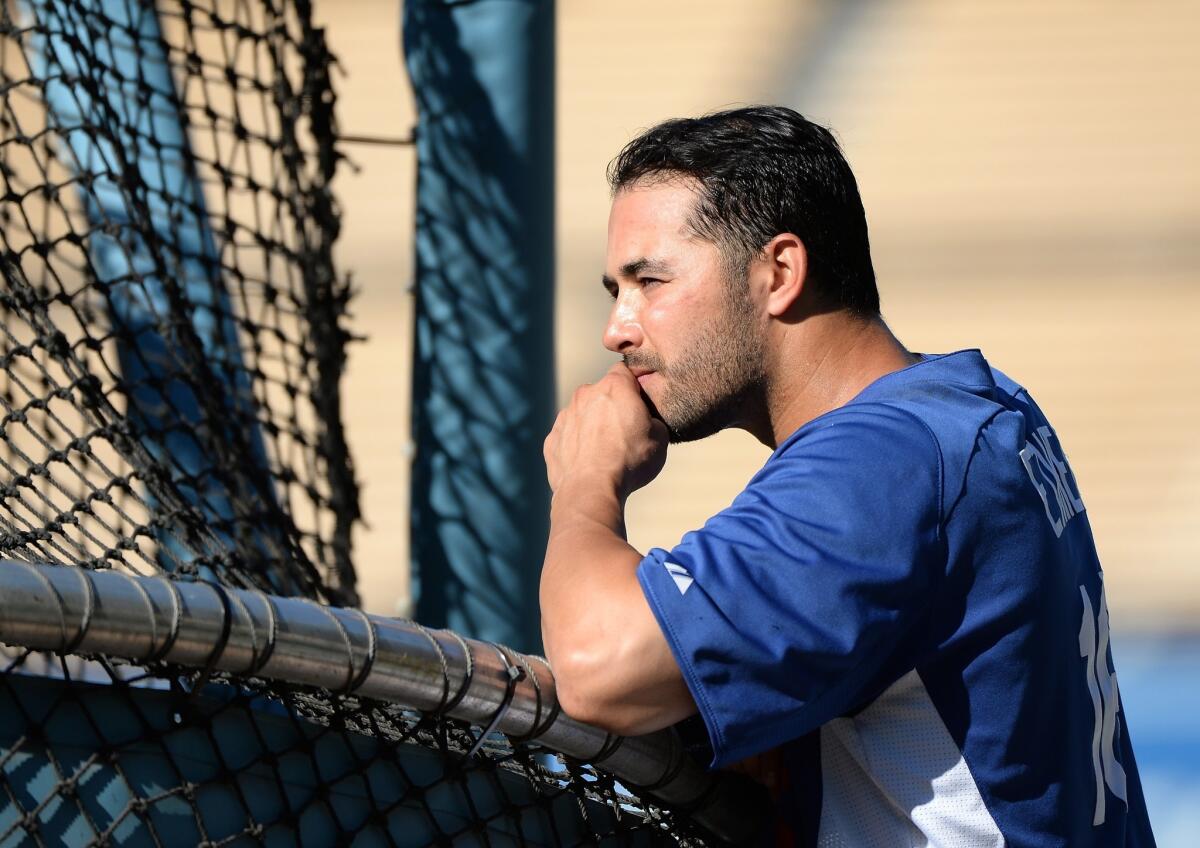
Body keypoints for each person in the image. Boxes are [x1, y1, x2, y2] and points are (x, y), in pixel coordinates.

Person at [539, 105, 1156, 845]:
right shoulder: (971, 405)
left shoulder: (883, 463)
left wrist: (585, 482)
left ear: (779, 272)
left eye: (650, 280)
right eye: (616, 290)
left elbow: (597, 666)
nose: (618, 328)